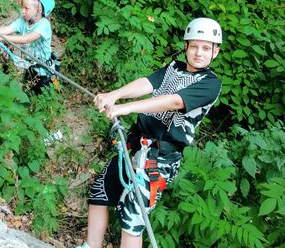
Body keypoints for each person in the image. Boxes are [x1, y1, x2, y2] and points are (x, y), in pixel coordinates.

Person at [79, 17, 223, 248]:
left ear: (215, 52)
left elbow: (174, 102)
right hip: (135, 147)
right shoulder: (173, 68)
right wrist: (114, 95)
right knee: (100, 193)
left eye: (206, 48)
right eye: (194, 46)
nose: (199, 53)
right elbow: (147, 83)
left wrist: (125, 108)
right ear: (186, 46)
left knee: (132, 219)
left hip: (159, 159)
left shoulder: (210, 84)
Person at [0, 0, 57, 94]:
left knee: (47, 93)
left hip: (46, 70)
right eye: (23, 7)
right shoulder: (23, 20)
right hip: (31, 66)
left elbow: (26, 39)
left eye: (26, 8)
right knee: (28, 92)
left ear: (39, 11)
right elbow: (7, 29)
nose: (22, 11)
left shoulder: (44, 25)